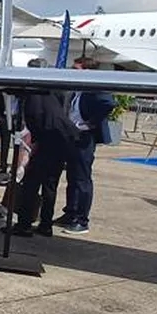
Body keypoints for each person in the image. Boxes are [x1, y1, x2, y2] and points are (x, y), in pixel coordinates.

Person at [4, 65, 77, 237]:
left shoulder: (33, 96)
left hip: (50, 141)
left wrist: (35, 144)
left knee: (31, 184)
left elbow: (37, 120)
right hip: (62, 141)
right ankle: (45, 224)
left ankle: (24, 224)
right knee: (50, 185)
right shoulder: (49, 90)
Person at [57, 56, 116, 235]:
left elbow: (108, 103)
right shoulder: (78, 89)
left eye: (77, 70)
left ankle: (82, 219)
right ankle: (70, 212)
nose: (73, 73)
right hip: (72, 135)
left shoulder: (94, 87)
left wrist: (91, 122)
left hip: (84, 136)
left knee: (82, 178)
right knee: (72, 177)